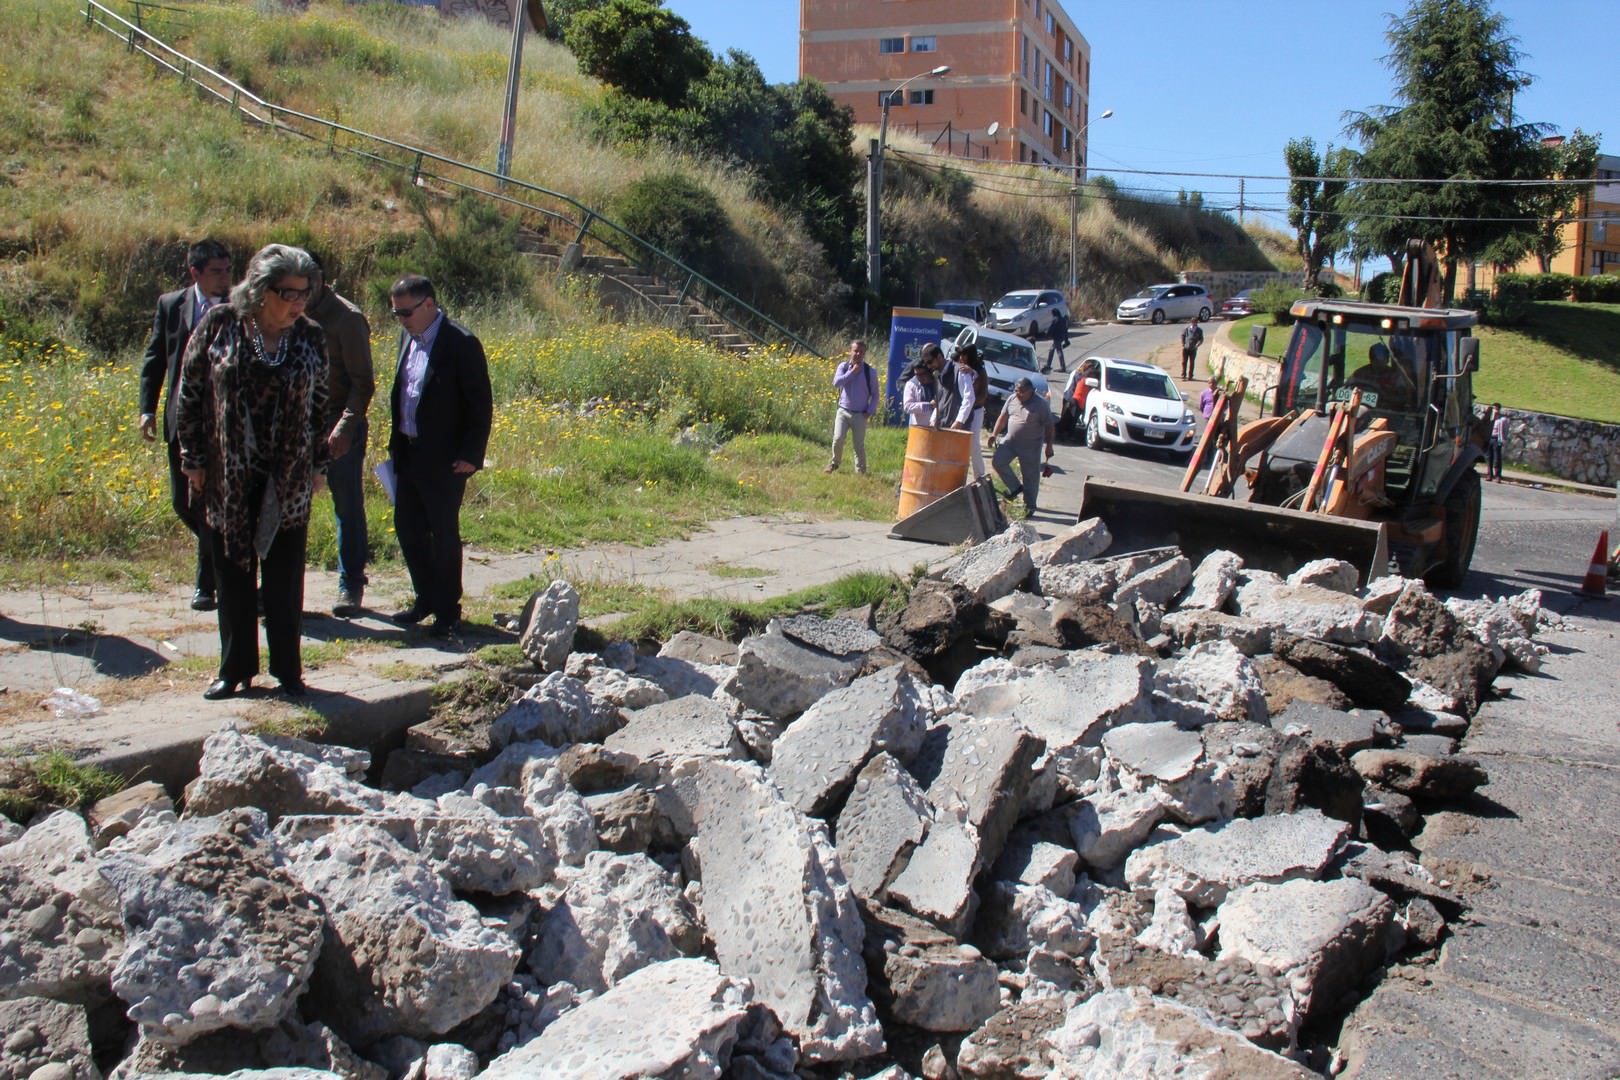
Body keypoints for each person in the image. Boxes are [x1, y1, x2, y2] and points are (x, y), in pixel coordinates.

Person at [175, 244, 329, 700]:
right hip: (229, 474)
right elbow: (190, 394)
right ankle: (235, 669)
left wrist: (318, 464)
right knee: (232, 575)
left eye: (304, 293)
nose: (298, 303)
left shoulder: (311, 336)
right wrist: (193, 459)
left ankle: (288, 670)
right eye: (289, 293)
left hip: (288, 476)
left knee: (284, 578)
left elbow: (320, 406)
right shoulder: (220, 324)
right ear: (261, 291)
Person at [387, 275, 493, 639]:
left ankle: (448, 611)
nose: (401, 320)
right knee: (408, 528)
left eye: (406, 312)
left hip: (446, 458)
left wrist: (471, 455)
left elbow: (480, 404)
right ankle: (426, 599)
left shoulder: (461, 343)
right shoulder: (408, 338)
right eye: (396, 313)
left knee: (443, 533)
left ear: (429, 304)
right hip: (409, 451)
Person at [139, 239, 232, 612]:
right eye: (216, 272)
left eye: (228, 270)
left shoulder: (240, 307)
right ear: (195, 272)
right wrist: (147, 409)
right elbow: (156, 357)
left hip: (225, 421)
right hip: (183, 418)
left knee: (213, 502)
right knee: (183, 502)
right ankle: (227, 553)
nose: (224, 278)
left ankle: (207, 585)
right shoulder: (171, 304)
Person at [305, 255, 375, 617]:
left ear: (321, 279)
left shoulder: (346, 318)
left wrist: (345, 426)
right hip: (298, 425)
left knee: (346, 505)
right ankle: (278, 586)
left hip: (337, 422)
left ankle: (351, 583)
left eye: (307, 281)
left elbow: (362, 383)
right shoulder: (285, 312)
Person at [988, 377, 1055, 514]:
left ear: (1031, 391)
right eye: (1017, 390)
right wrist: (994, 434)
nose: (1019, 394)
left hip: (1031, 446)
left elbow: (1049, 426)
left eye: (1022, 391)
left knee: (1030, 477)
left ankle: (1030, 506)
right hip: (1010, 442)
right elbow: (1003, 417)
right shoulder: (1012, 399)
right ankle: (1015, 487)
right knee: (998, 462)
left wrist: (1049, 445)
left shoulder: (1041, 404)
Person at [825, 340, 878, 474]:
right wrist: (852, 373)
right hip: (843, 411)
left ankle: (861, 471)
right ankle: (834, 463)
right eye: (855, 351)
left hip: (860, 414)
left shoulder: (870, 372)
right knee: (838, 439)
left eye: (861, 352)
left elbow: (875, 395)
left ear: (864, 354)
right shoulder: (843, 367)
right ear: (850, 351)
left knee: (858, 445)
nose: (858, 354)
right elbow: (836, 383)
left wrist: (869, 412)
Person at [949, 344, 990, 480]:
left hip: (976, 411)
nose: (961, 358)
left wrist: (972, 372)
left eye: (964, 355)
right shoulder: (960, 367)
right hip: (962, 410)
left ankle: (980, 475)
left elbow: (982, 395)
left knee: (973, 444)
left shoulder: (980, 370)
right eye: (960, 355)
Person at [1347, 341, 1409, 408]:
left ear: (1387, 360)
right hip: (1360, 409)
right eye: (1376, 360)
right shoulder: (1359, 374)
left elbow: (1405, 398)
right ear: (1371, 359)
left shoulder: (1395, 377)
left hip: (1385, 411)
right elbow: (1346, 388)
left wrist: (1386, 396)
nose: (1379, 364)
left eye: (1382, 360)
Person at [900, 359, 937, 427]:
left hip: (937, 425)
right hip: (918, 426)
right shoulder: (911, 384)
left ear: (928, 372)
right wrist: (928, 406)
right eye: (917, 374)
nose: (920, 377)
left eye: (922, 374)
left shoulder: (937, 382)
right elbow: (907, 406)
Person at [1043, 308, 1070, 374]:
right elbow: (1065, 330)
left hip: (1057, 338)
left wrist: (1047, 335)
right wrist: (1066, 339)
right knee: (1052, 350)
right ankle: (1049, 364)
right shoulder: (1063, 319)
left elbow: (1051, 328)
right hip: (1061, 337)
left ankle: (1062, 367)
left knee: (1059, 351)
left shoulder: (1055, 320)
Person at [1180, 315, 1204, 380]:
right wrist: (1183, 344)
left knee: (1192, 362)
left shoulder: (1199, 330)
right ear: (1191, 322)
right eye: (1193, 322)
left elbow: (1201, 339)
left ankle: (1190, 375)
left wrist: (1197, 345)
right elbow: (1183, 336)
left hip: (1193, 349)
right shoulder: (1186, 329)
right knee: (1184, 362)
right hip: (1186, 348)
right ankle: (1183, 375)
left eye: (1195, 322)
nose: (1194, 323)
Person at [1487, 403, 1507, 481]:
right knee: (1489, 457)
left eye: (1496, 409)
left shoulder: (1502, 420)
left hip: (1497, 439)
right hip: (1490, 438)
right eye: (1493, 408)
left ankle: (1497, 475)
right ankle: (1489, 475)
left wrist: (1503, 440)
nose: (1495, 410)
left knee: (1497, 458)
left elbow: (1505, 430)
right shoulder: (1490, 419)